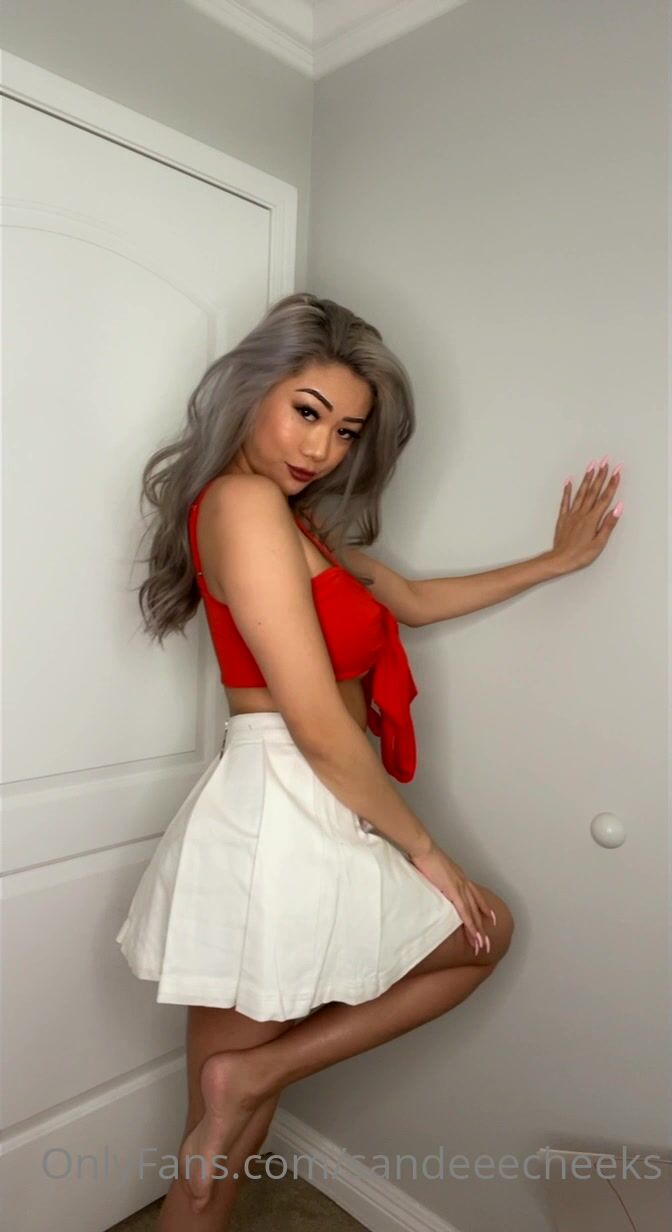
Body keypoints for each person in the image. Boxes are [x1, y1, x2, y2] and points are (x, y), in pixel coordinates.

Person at [115, 291, 623, 1226]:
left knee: (235, 1122)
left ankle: (252, 1073)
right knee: (219, 1141)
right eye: (307, 412)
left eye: (346, 431)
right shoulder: (241, 503)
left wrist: (553, 563)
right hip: (279, 800)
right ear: (254, 389)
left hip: (317, 801)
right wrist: (427, 851)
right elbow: (316, 722)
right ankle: (246, 1078)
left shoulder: (297, 524)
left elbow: (413, 602)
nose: (322, 448)